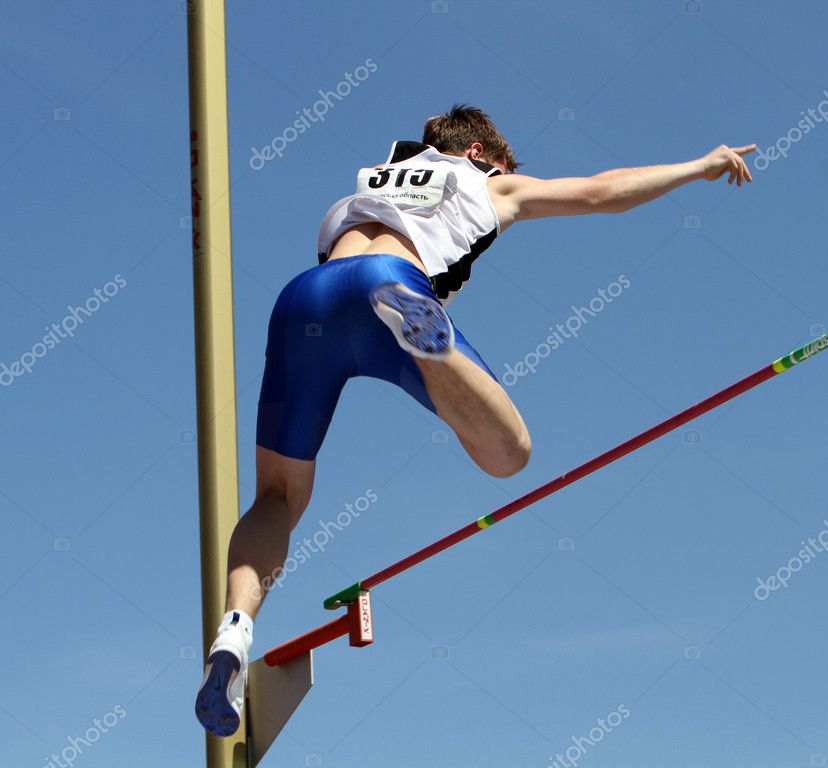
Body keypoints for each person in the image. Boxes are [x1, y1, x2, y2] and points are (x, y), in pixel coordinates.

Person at [196, 104, 755, 735]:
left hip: (307, 297)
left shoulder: (377, 174)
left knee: (276, 497)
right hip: (389, 281)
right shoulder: (488, 180)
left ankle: (232, 637)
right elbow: (603, 192)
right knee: (509, 453)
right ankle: (424, 335)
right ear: (483, 155)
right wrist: (699, 166)